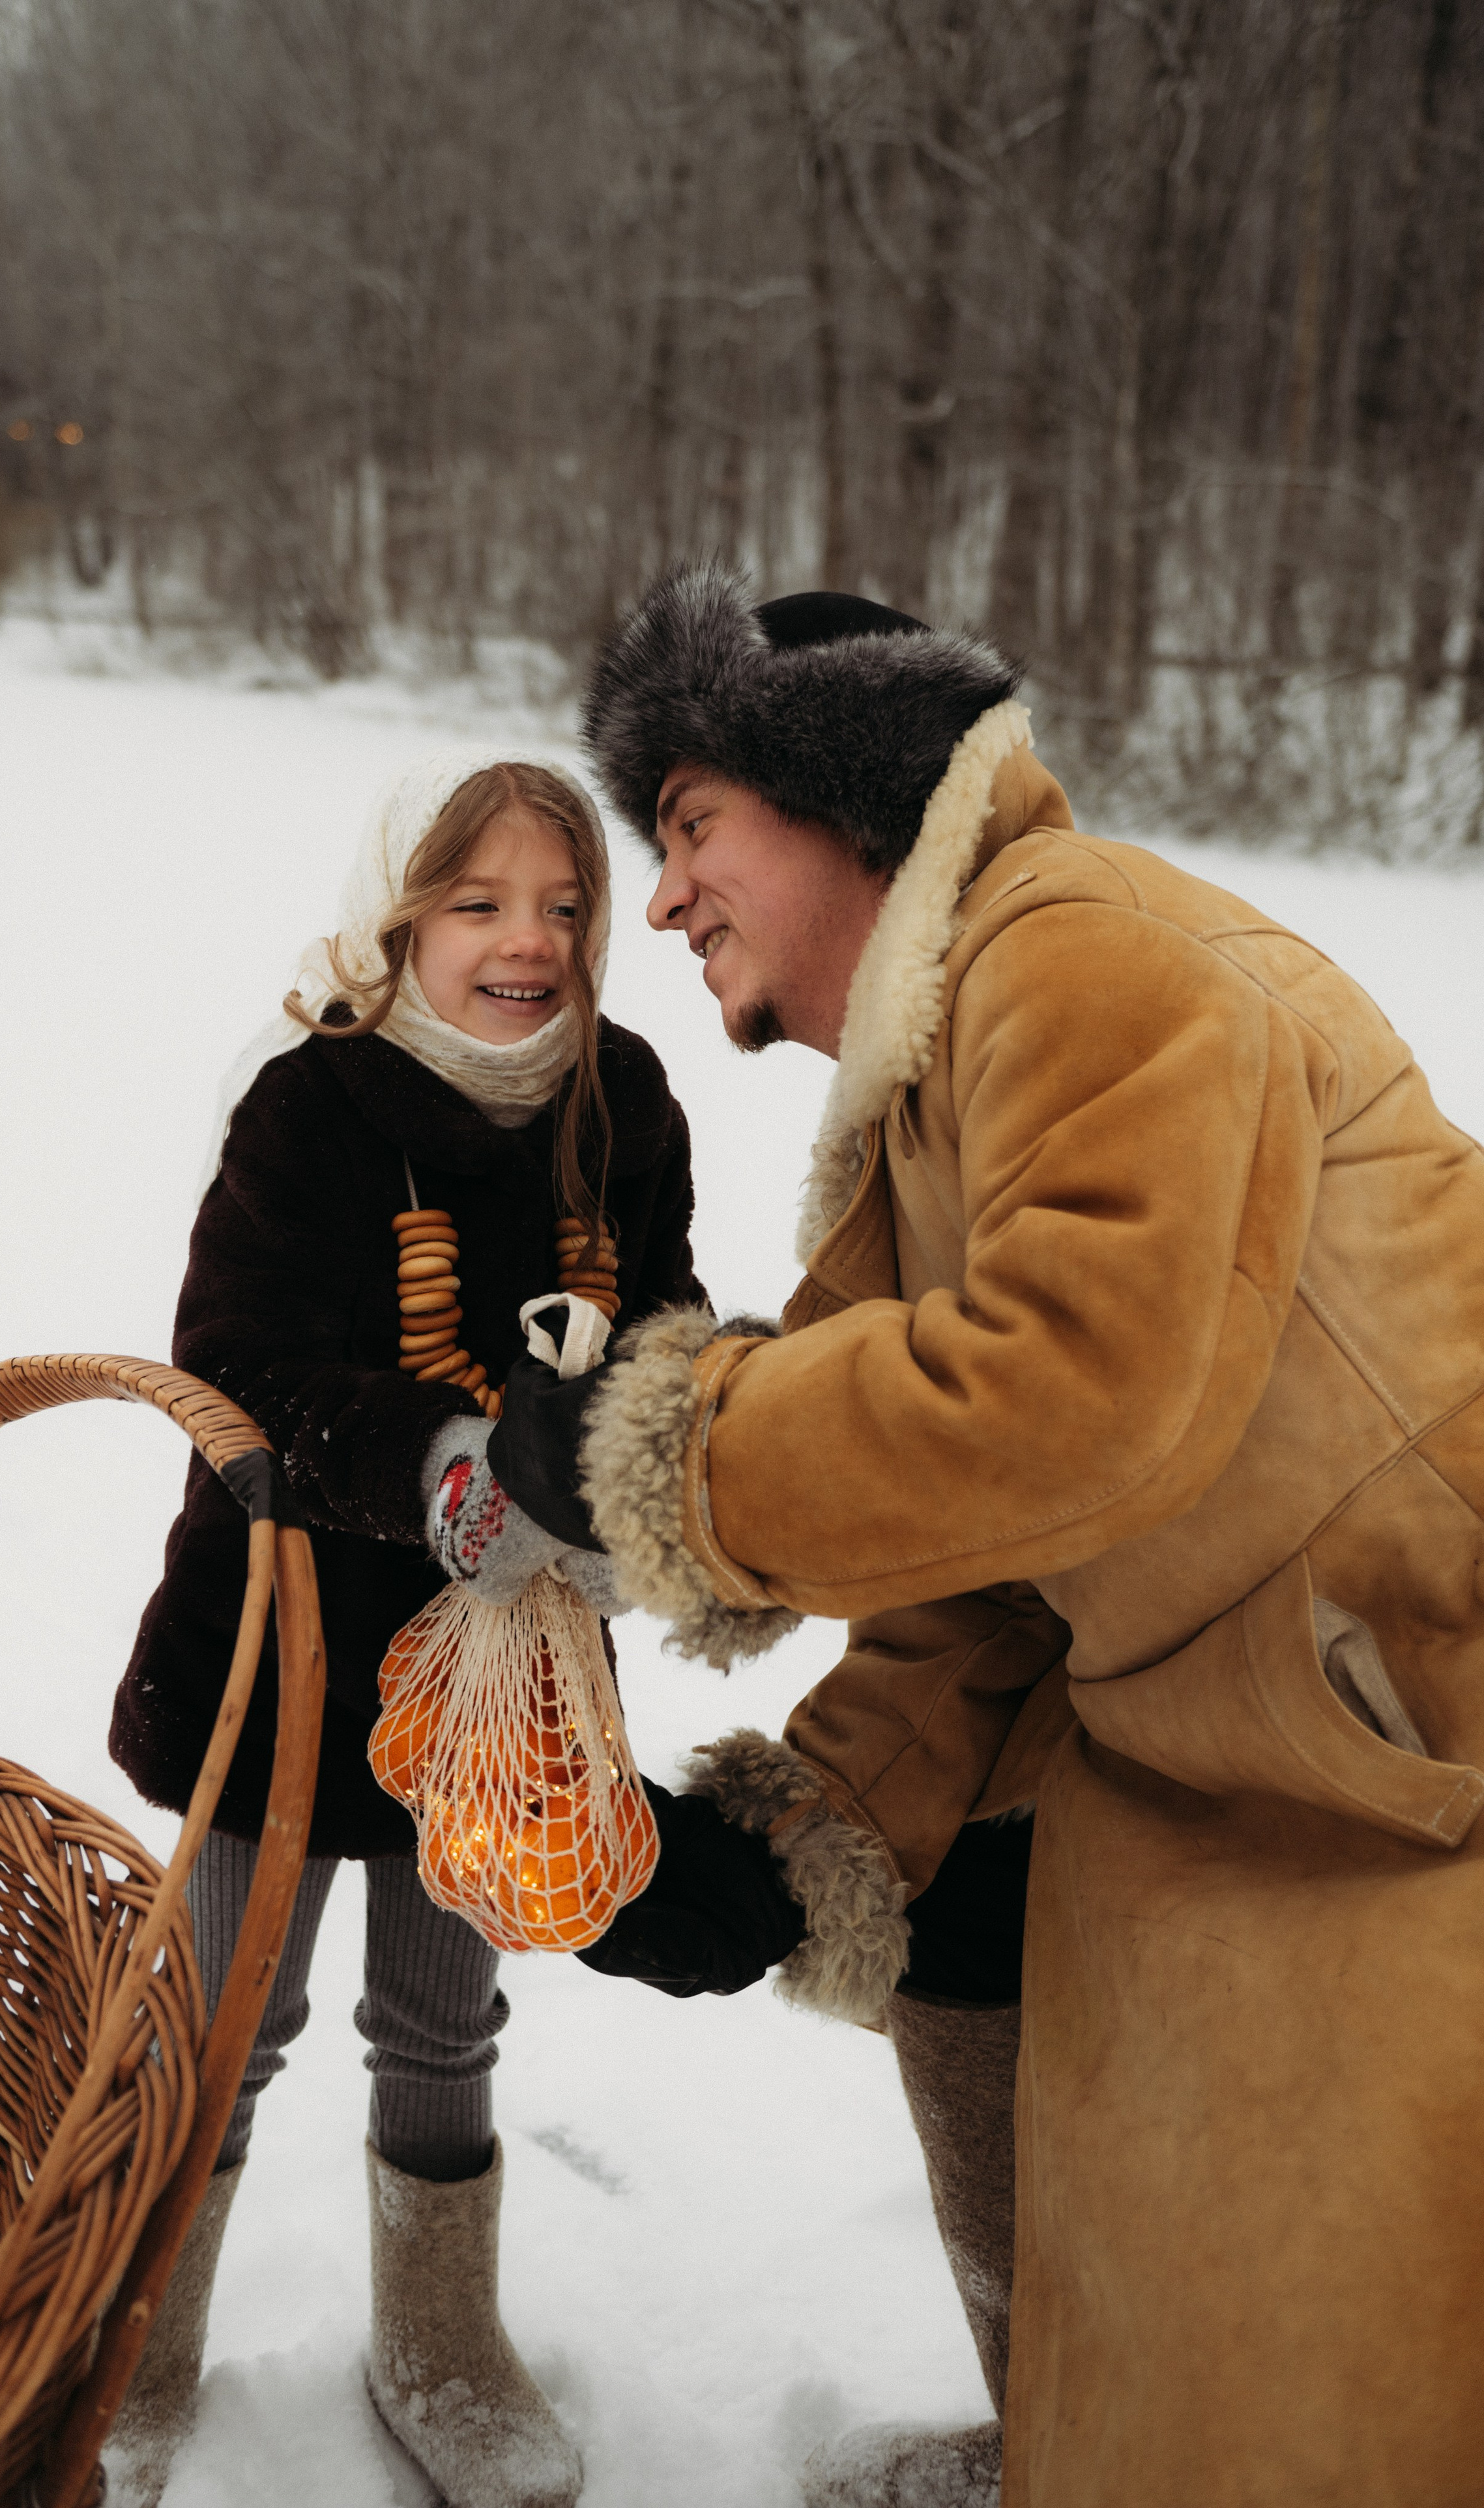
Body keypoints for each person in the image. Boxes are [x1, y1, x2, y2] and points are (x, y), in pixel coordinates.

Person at [486, 565, 1484, 2508]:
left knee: (1339, 2398)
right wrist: (792, 1843)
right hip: (1264, 1730)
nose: (663, 895)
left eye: (691, 827)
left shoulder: (1082, 952)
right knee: (1019, 2032)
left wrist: (665, 1442)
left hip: (1415, 1748)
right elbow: (983, 1559)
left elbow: (1076, 1396)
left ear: (843, 788)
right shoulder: (931, 1104)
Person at [105, 750, 704, 2508]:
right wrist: (440, 1461)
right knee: (228, 2014)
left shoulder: (626, 1098)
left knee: (444, 2017)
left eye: (566, 905)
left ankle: (439, 2339)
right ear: (401, 920)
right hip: (283, 1643)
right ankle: (136, 2337)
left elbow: (663, 1323)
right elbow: (226, 1365)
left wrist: (641, 1482)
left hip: (509, 1667)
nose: (530, 940)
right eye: (479, 903)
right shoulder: (316, 1103)